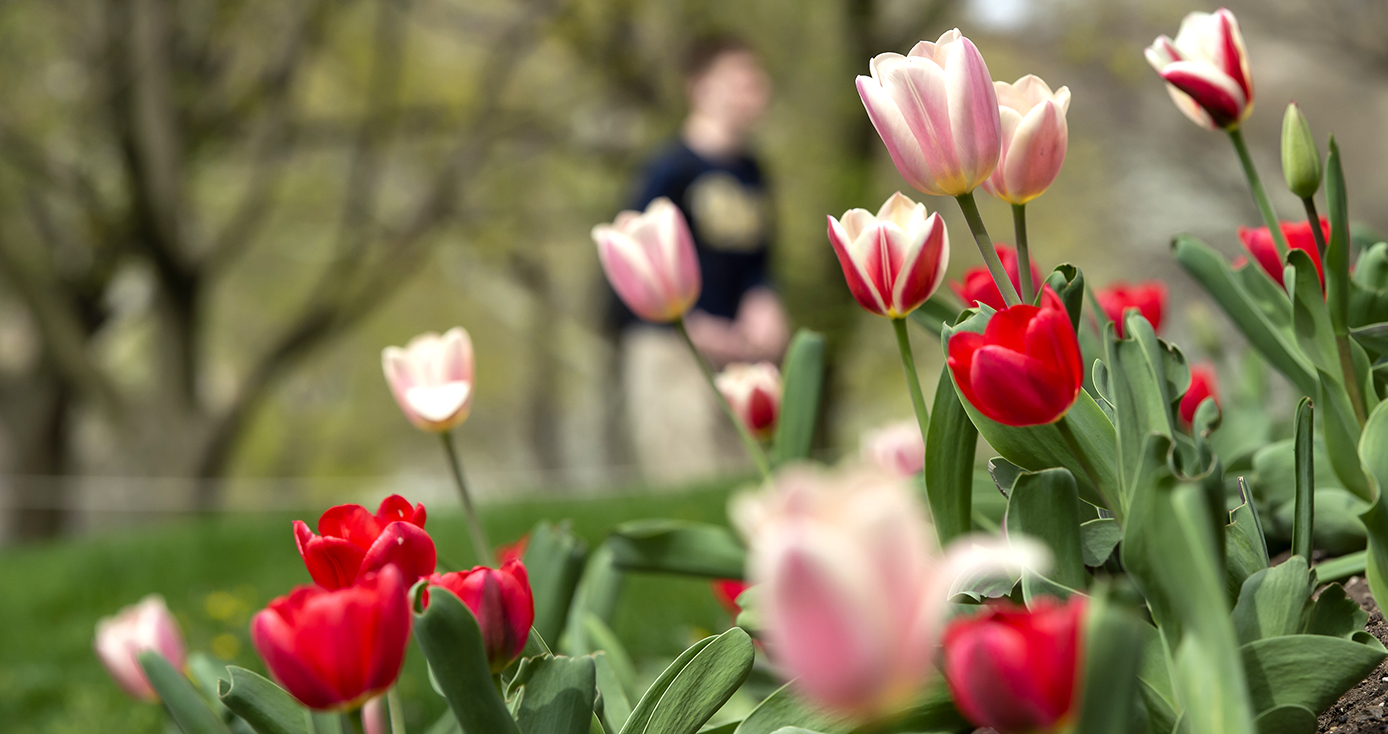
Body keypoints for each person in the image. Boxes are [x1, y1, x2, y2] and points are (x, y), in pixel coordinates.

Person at [611, 35, 790, 484]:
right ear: (699, 88)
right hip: (672, 349)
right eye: (737, 79)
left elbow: (756, 261)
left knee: (748, 478)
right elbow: (630, 261)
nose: (753, 89)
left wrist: (763, 301)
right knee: (688, 480)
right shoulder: (668, 170)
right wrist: (689, 324)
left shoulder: (752, 171)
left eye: (757, 79)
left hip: (739, 355)